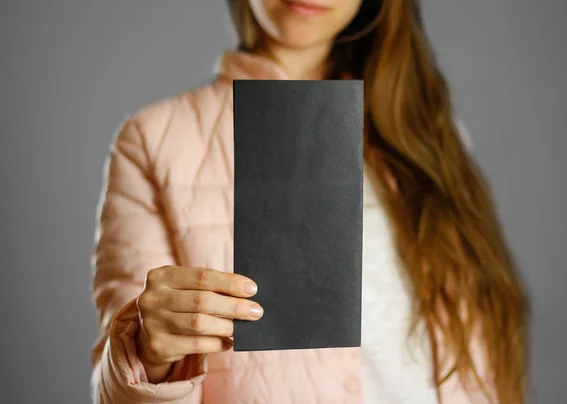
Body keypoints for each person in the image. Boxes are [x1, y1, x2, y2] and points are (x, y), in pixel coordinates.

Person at [90, 1, 529, 403]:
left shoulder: (429, 137)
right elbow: (114, 391)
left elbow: (478, 363)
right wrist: (147, 355)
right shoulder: (155, 140)